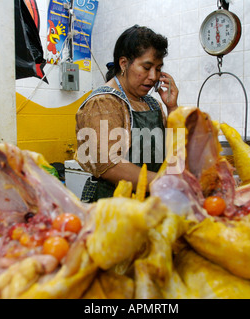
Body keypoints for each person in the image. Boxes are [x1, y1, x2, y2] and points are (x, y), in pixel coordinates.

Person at [75, 25, 179, 202]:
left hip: (150, 203)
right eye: (146, 67)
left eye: (158, 68)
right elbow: (109, 166)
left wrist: (173, 108)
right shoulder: (103, 103)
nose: (154, 76)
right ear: (124, 64)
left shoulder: (153, 104)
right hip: (113, 208)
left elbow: (175, 151)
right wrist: (166, 183)